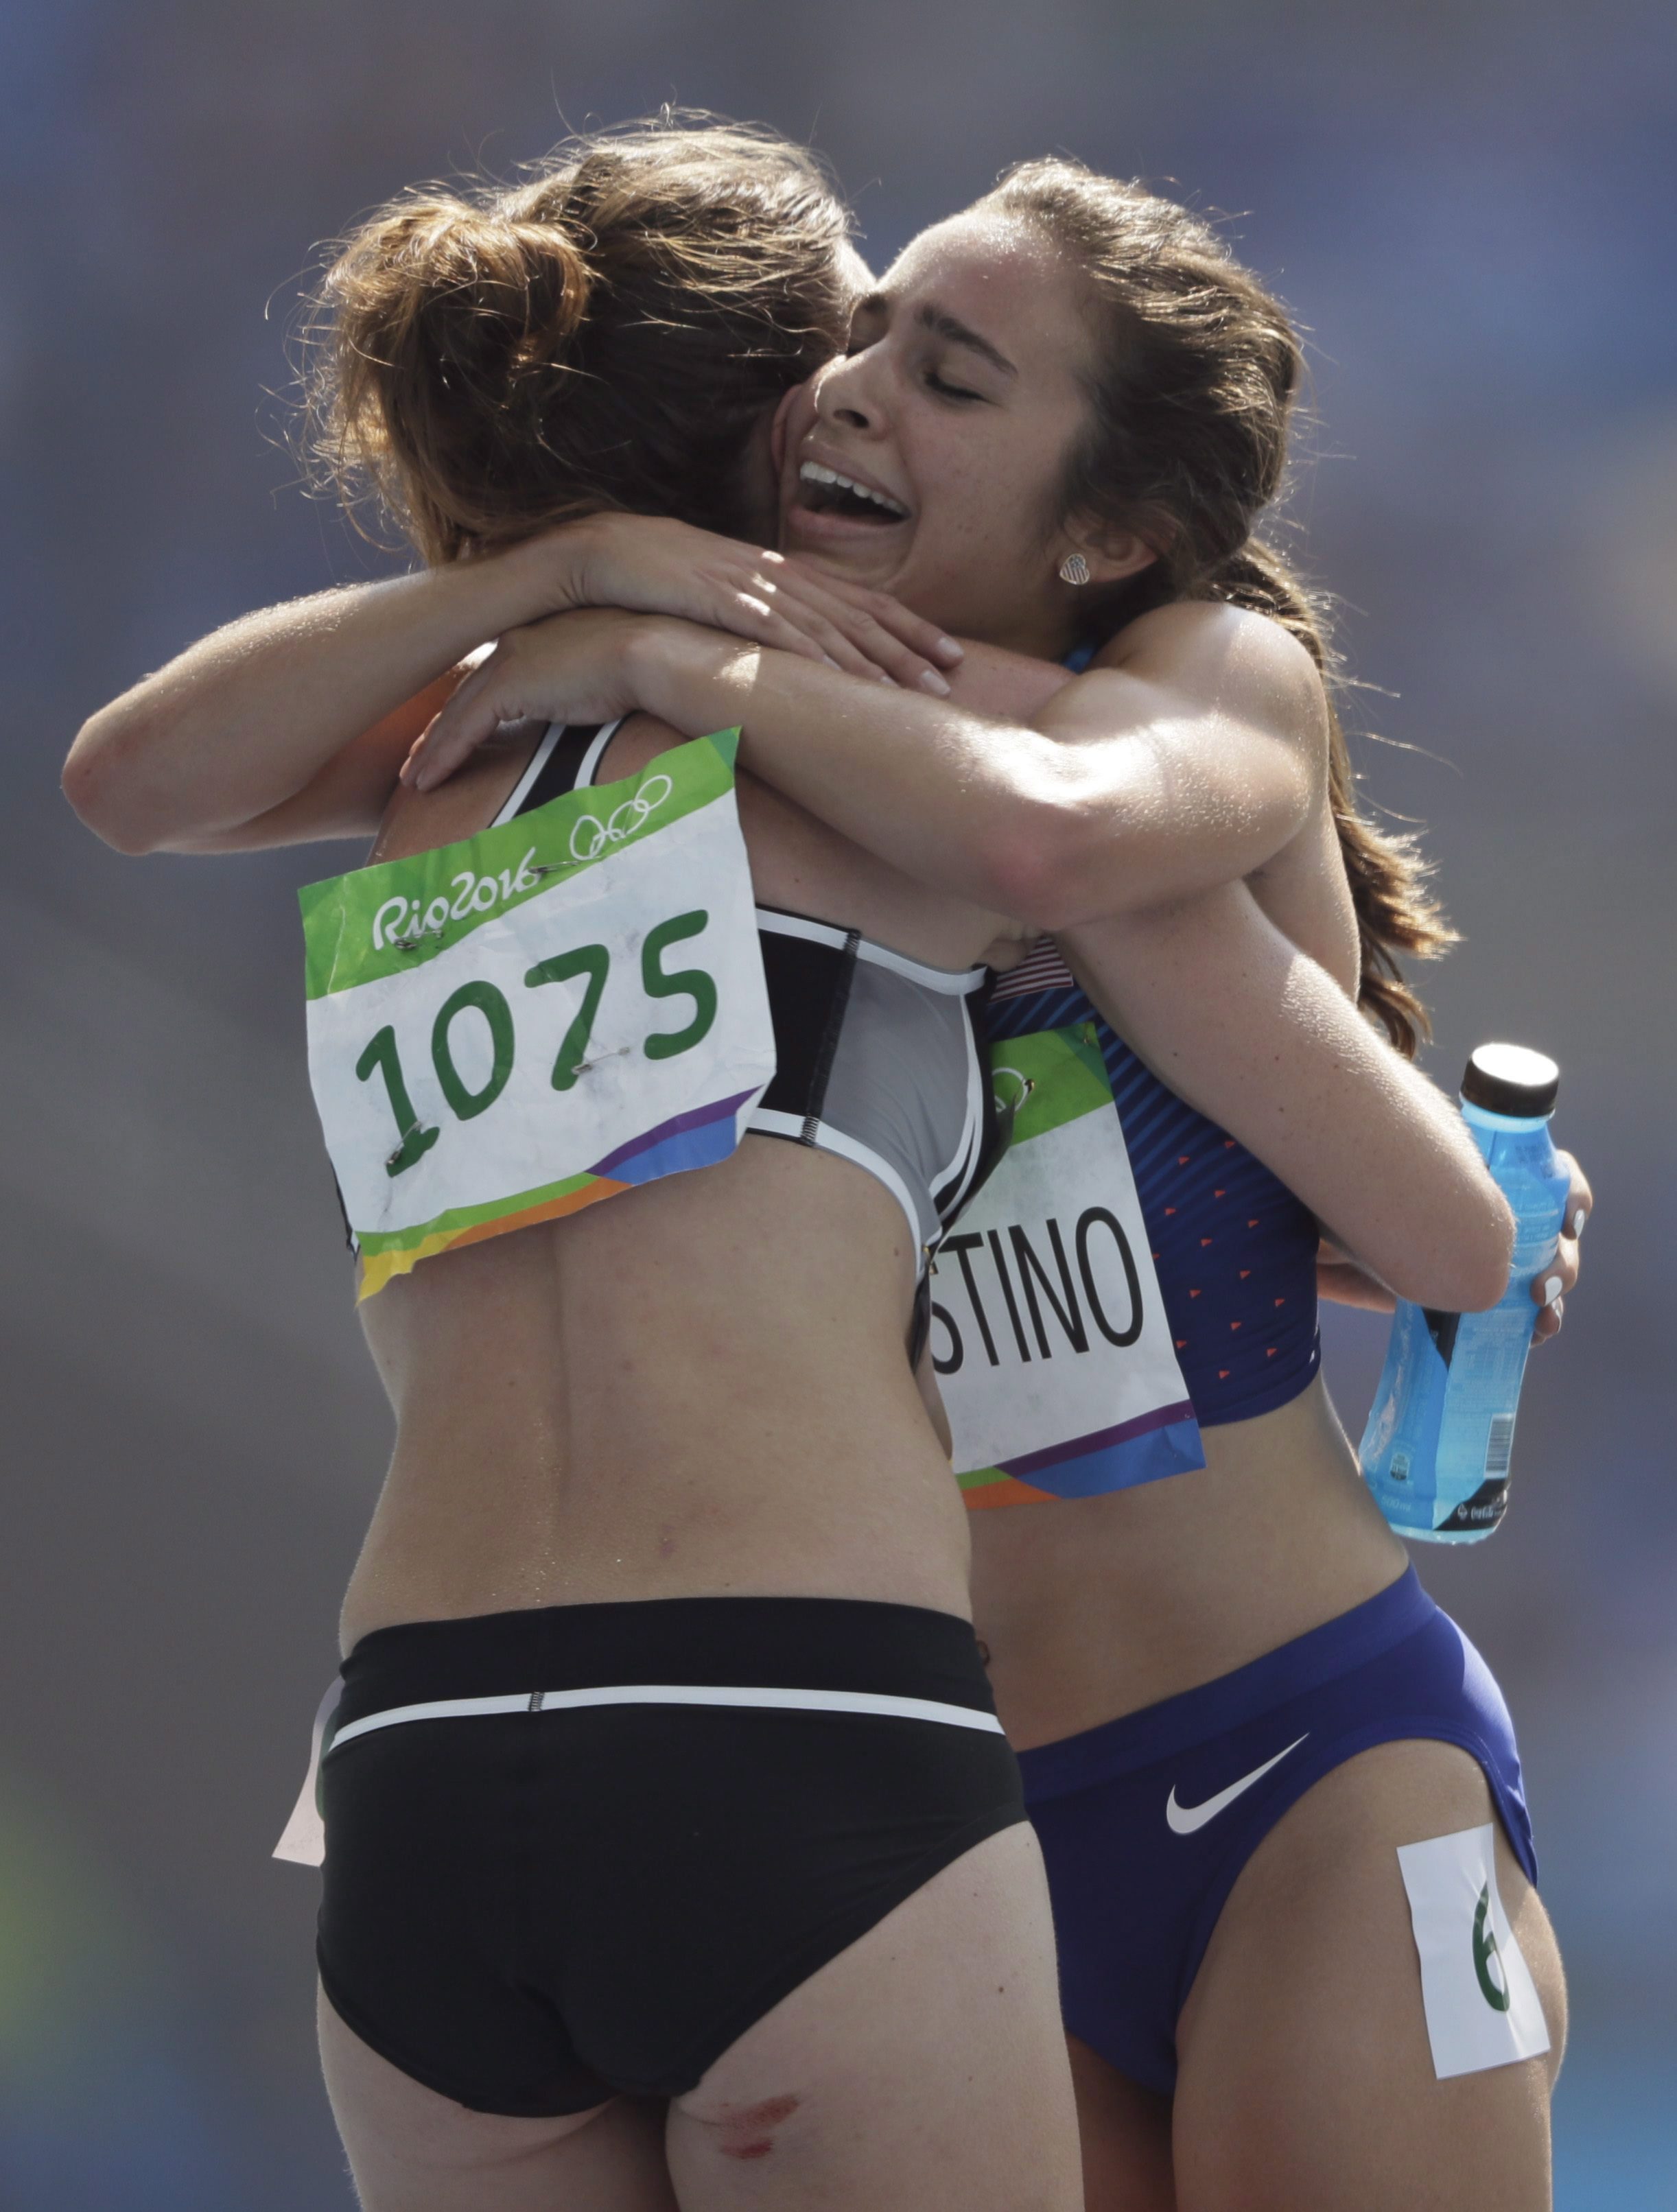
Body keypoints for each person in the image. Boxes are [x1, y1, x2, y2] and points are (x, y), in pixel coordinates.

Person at [67, 131, 1583, 2211]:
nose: (854, 388)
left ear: (1106, 525)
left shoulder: (1171, 690)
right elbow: (140, 781)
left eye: (948, 378)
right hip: (928, 1778)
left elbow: (1092, 869)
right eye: (856, 340)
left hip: (1289, 1741)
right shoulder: (662, 745)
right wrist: (571, 589)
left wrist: (688, 659)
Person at [69, 121, 1086, 2212]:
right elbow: (1143, 814)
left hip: (423, 1760)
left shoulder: (445, 757)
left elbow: (130, 781)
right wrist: (600, 595)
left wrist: (553, 596)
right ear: (796, 413)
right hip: (785, 1725)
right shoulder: (892, 725)